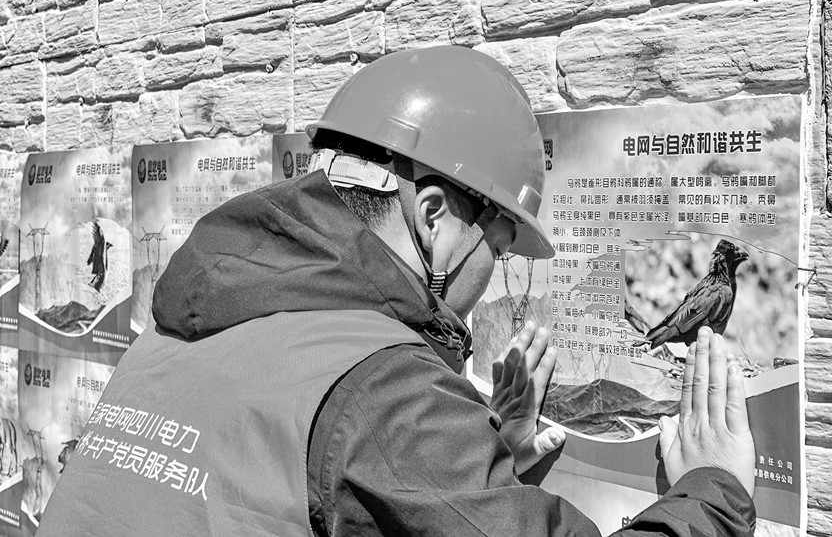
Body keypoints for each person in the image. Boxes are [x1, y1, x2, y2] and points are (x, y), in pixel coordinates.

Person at [38, 46, 756, 536]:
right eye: (499, 247)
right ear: (435, 216)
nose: (493, 275)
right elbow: (369, 435)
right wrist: (713, 491)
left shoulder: (195, 313)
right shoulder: (383, 392)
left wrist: (478, 456)